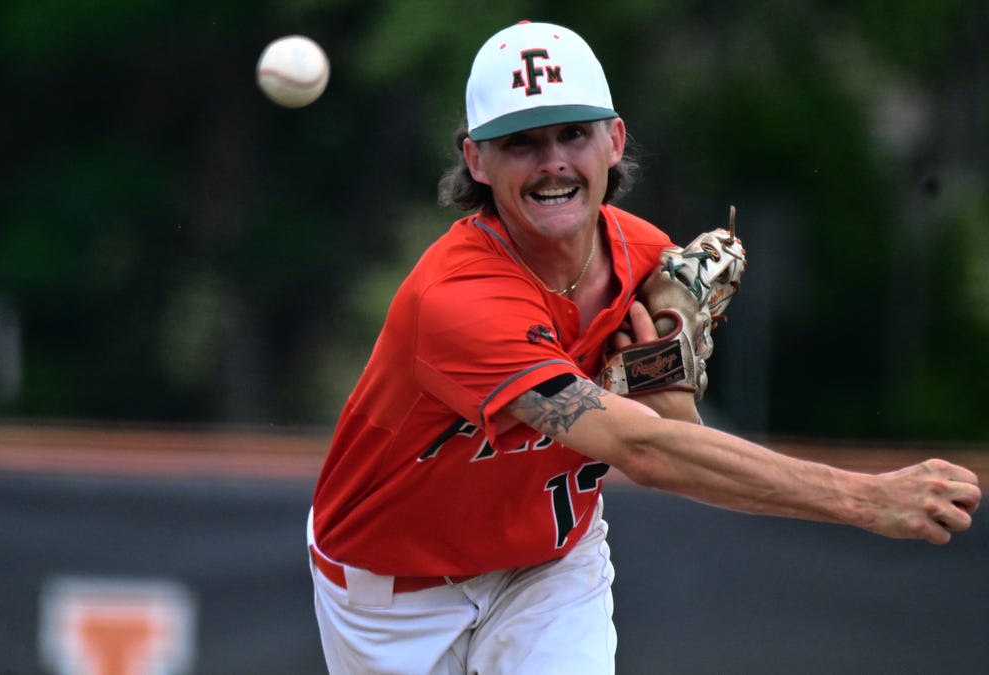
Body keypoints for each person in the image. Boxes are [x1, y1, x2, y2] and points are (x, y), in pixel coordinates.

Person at [306, 20, 981, 675]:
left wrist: (668, 392)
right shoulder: (458, 301)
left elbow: (673, 438)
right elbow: (647, 453)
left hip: (548, 567)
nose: (554, 162)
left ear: (614, 139)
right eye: (521, 142)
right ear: (476, 159)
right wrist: (865, 499)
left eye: (574, 132)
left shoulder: (647, 260)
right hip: (395, 592)